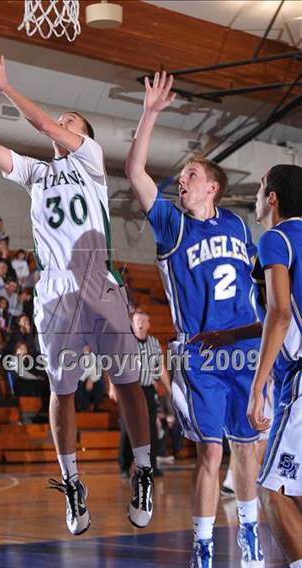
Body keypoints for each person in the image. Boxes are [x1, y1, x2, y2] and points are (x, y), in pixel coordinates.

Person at [0, 52, 154, 536]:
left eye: (71, 121)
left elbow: (40, 122)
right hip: (57, 292)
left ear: (82, 135)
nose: (61, 123)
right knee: (61, 393)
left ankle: (143, 469)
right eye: (63, 120)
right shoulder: (36, 173)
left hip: (99, 282)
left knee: (127, 382)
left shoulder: (90, 160)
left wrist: (3, 84)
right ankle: (73, 484)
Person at [126, 71, 264, 567]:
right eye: (182, 176)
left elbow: (256, 281)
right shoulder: (170, 222)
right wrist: (150, 113)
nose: (179, 180)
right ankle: (203, 545)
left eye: (189, 176)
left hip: (245, 349)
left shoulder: (238, 224)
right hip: (200, 351)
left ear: (212, 187)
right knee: (210, 453)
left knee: (247, 449)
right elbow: (136, 171)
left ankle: (249, 531)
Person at [246, 165, 302, 568]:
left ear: (273, 198)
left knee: (270, 491)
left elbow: (280, 314)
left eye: (261, 185)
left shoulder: (275, 239)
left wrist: (257, 386)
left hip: (298, 382)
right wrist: (231, 336)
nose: (257, 192)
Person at [109, 310, 168, 477]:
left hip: (148, 389)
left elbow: (160, 367)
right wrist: (112, 386)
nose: (140, 323)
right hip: (129, 389)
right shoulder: (125, 342)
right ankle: (124, 465)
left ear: (148, 324)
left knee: (152, 429)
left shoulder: (154, 343)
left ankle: (152, 465)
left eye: (144, 320)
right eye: (137, 320)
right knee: (128, 428)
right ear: (132, 324)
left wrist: (170, 389)